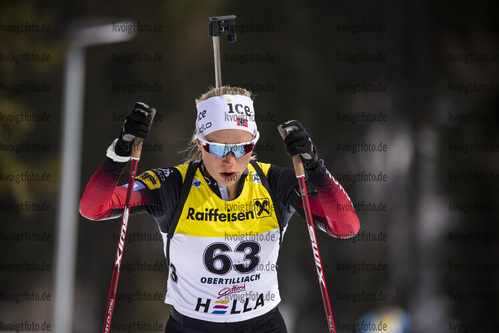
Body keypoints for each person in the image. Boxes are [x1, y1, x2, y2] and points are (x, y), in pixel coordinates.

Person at [80, 86, 360, 333]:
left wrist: (316, 170)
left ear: (254, 144)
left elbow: (346, 226)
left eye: (241, 148)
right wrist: (119, 154)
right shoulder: (172, 185)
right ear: (200, 143)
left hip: (263, 324)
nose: (230, 161)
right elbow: (94, 208)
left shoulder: (276, 182)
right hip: (192, 326)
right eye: (218, 148)